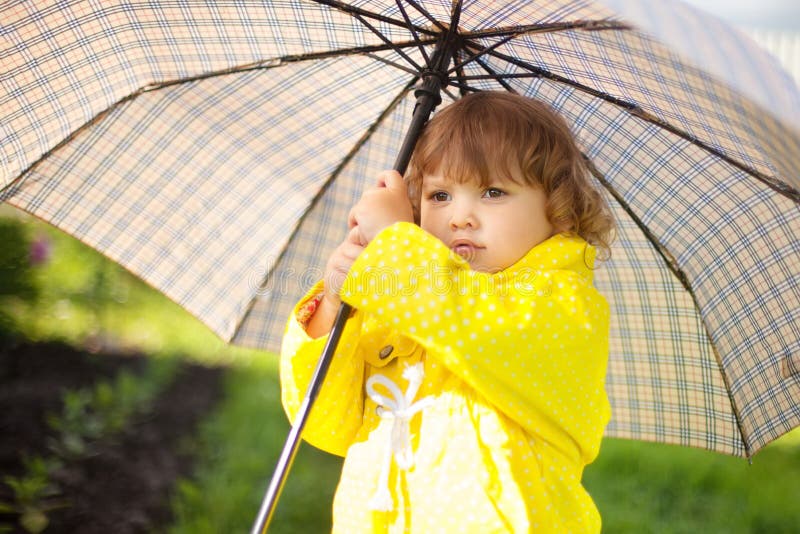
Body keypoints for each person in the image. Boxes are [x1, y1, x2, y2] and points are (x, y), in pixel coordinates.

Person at [280, 91, 616, 533]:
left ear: (559, 210)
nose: (460, 217)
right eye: (439, 195)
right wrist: (337, 303)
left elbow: (473, 323)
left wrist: (395, 241)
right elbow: (327, 421)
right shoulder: (404, 296)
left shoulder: (562, 302)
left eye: (493, 191)